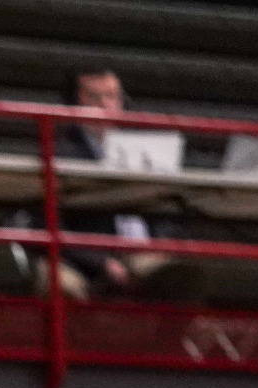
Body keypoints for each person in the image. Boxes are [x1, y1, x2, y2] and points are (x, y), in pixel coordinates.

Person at [44, 70, 197, 304]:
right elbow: (52, 223)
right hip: (93, 257)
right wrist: (102, 262)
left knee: (182, 275)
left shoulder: (147, 146)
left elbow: (169, 204)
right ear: (75, 103)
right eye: (96, 98)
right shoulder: (60, 152)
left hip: (142, 250)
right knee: (62, 284)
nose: (107, 105)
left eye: (114, 97)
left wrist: (166, 243)